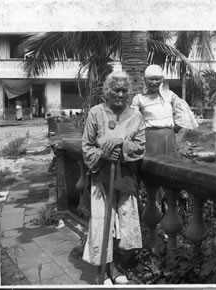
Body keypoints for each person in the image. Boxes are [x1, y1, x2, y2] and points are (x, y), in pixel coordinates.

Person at [82, 71, 146, 285]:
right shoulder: (95, 113)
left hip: (125, 178)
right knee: (102, 222)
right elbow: (87, 146)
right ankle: (105, 268)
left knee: (125, 223)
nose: (120, 94)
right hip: (101, 177)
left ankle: (117, 264)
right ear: (107, 92)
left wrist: (121, 143)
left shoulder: (136, 116)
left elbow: (140, 147)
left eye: (124, 90)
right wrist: (103, 154)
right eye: (115, 90)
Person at [131, 64, 198, 157]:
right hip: (148, 139)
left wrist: (173, 129)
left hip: (168, 138)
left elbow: (184, 112)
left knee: (169, 166)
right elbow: (132, 120)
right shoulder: (139, 99)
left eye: (157, 79)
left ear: (162, 79)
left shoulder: (169, 95)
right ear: (145, 80)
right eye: (151, 79)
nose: (154, 82)